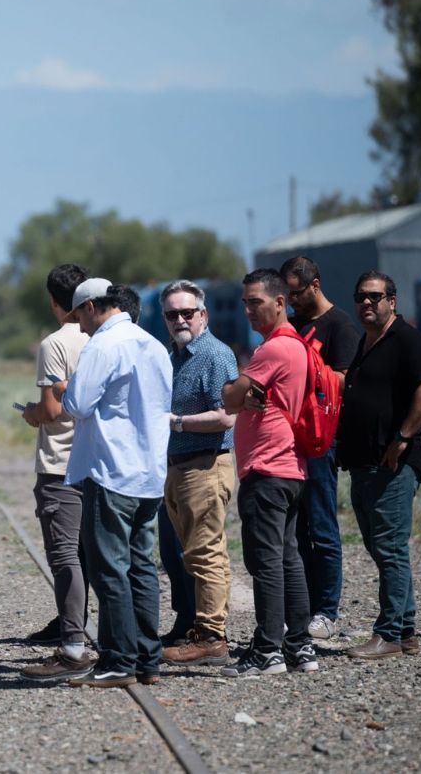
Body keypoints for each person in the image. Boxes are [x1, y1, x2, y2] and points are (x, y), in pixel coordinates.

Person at [55, 277, 171, 687]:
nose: (80, 327)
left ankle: (118, 660)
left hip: (111, 471)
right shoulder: (153, 344)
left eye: (79, 317)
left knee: (110, 571)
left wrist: (66, 389)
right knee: (142, 568)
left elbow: (78, 404)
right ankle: (147, 660)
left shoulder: (102, 346)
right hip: (149, 474)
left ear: (90, 307)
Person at [337, 272, 421, 660]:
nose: (367, 303)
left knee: (391, 548)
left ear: (392, 301)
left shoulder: (407, 339)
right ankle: (407, 628)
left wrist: (402, 437)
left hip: (394, 463)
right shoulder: (366, 342)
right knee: (380, 547)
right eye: (361, 296)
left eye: (375, 297)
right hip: (364, 463)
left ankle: (389, 635)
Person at [221, 268, 315, 677]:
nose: (248, 310)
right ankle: (299, 645)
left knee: (266, 562)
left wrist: (239, 393)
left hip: (267, 468)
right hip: (289, 468)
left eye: (255, 302)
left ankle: (267, 649)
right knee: (288, 558)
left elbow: (228, 397)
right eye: (245, 302)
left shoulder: (274, 349)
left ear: (280, 302)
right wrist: (243, 395)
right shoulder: (299, 346)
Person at [17, 264, 94, 683]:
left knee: (65, 555)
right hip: (99, 463)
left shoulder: (54, 343)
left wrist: (31, 414)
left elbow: (51, 409)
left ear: (53, 301)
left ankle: (73, 644)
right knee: (95, 555)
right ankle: (92, 633)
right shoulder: (104, 336)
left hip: (60, 461)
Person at [157, 281, 238, 669]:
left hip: (205, 464)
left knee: (206, 553)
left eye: (187, 312)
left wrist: (177, 424)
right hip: (179, 468)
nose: (180, 320)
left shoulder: (213, 354)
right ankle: (199, 629)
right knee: (192, 553)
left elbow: (226, 415)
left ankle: (211, 638)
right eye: (172, 314)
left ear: (203, 315)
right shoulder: (174, 356)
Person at [279, 256, 354, 641]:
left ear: (315, 284)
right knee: (299, 526)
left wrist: (304, 378)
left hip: (322, 437)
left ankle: (328, 609)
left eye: (295, 293)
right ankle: (303, 606)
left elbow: (341, 381)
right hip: (291, 438)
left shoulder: (339, 325)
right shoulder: (291, 326)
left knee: (323, 526)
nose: (290, 301)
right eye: (286, 294)